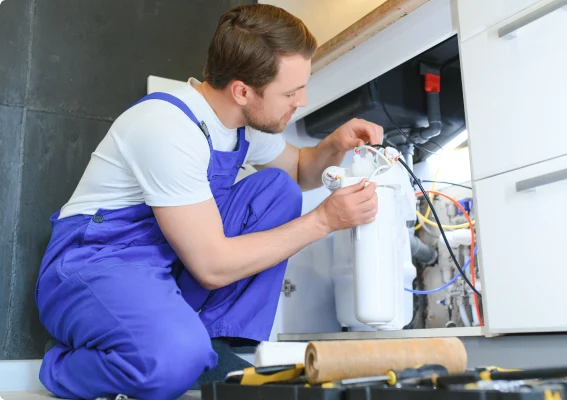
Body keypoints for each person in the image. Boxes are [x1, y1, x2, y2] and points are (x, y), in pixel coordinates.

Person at [34, 3, 382, 400]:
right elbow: (212, 266)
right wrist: (323, 222)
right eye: (291, 91)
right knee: (174, 362)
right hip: (94, 267)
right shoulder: (168, 127)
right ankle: (68, 364)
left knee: (276, 191)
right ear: (242, 90)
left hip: (164, 263)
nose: (301, 100)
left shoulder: (239, 123)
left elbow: (301, 170)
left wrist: (334, 144)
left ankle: (219, 348)